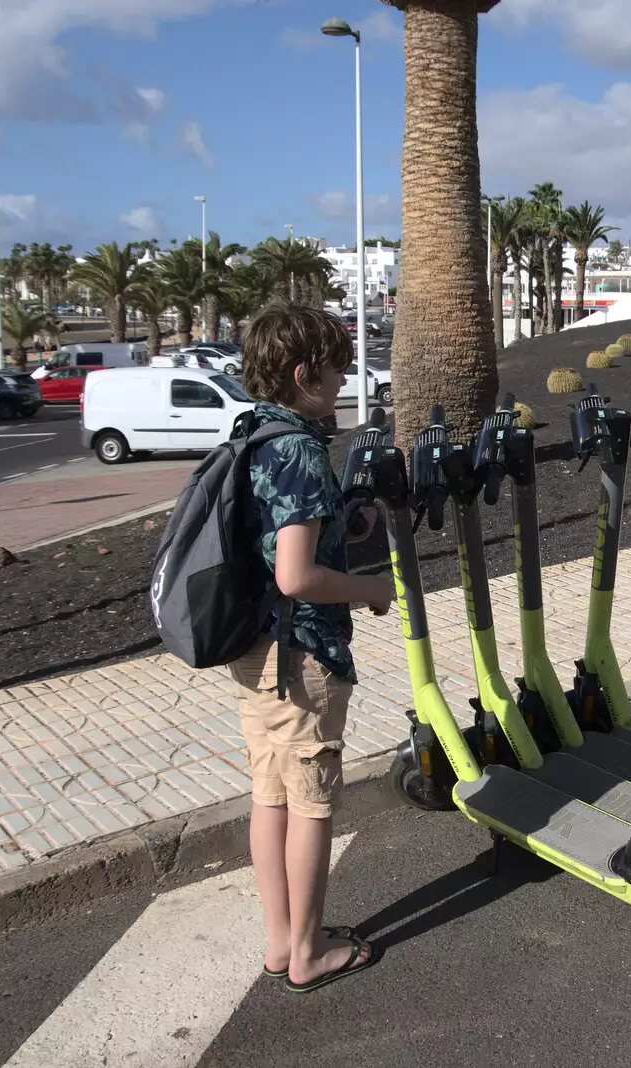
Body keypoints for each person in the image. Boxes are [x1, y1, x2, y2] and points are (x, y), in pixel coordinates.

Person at [233, 303, 393, 991]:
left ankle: (279, 942)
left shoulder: (252, 434)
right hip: (302, 658)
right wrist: (370, 587)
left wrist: (346, 526)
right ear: (305, 373)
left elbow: (277, 543)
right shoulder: (299, 450)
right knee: (312, 802)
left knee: (269, 796)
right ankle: (308, 952)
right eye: (336, 366)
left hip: (253, 649)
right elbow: (296, 574)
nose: (343, 376)